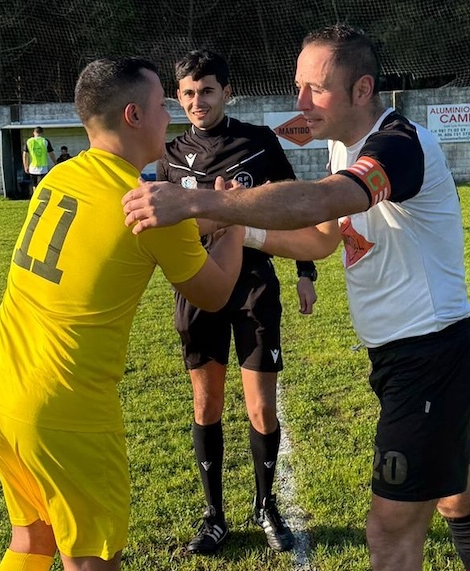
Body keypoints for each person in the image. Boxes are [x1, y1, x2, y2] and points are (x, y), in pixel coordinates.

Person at [123, 24, 470, 571]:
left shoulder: (399, 145)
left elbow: (327, 201)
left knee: (390, 531)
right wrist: (237, 230)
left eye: (316, 89)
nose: (299, 103)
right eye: (297, 86)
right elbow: (324, 238)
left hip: (432, 355)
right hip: (402, 357)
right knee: (456, 495)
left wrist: (202, 203)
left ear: (361, 89)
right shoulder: (341, 144)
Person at [0, 57, 245, 571]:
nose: (172, 114)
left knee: (32, 541)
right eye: (162, 103)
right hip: (65, 411)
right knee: (93, 559)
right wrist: (231, 223)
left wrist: (208, 209)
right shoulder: (147, 207)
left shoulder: (59, 177)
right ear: (133, 116)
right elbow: (214, 293)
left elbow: (136, 227)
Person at [157, 48, 319, 555]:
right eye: (187, 93)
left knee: (260, 408)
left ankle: (267, 505)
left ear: (227, 91)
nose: (197, 101)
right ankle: (214, 517)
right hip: (199, 287)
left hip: (253, 288)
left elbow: (293, 205)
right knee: (206, 404)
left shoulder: (258, 142)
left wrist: (305, 272)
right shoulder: (168, 155)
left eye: (207, 90)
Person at [23, 126, 58, 192]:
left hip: (33, 168)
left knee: (34, 185)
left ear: (34, 133)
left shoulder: (29, 141)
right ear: (42, 133)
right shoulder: (45, 141)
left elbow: (25, 155)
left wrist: (25, 166)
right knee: (42, 184)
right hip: (43, 168)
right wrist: (55, 163)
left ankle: (35, 198)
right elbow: (51, 154)